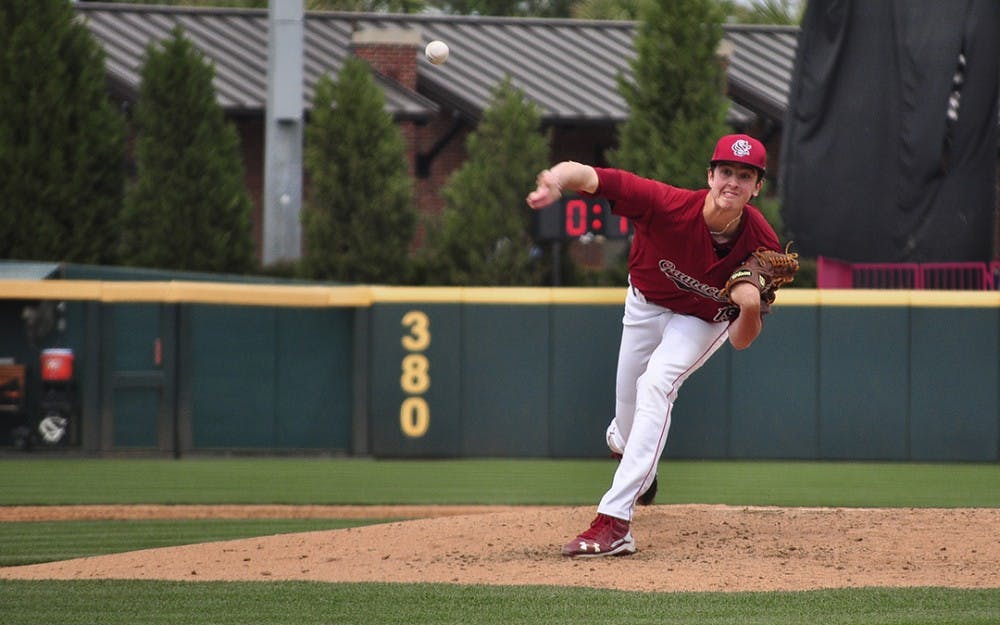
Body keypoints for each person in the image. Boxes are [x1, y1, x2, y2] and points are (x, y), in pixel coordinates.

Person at [526, 134, 781, 558]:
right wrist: (555, 179)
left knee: (657, 384)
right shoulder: (665, 205)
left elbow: (740, 341)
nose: (733, 182)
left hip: (701, 321)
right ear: (710, 176)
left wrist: (751, 307)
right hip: (644, 305)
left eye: (745, 175)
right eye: (725, 172)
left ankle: (614, 523)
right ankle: (628, 451)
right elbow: (590, 177)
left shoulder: (763, 243)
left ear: (757, 187)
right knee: (629, 428)